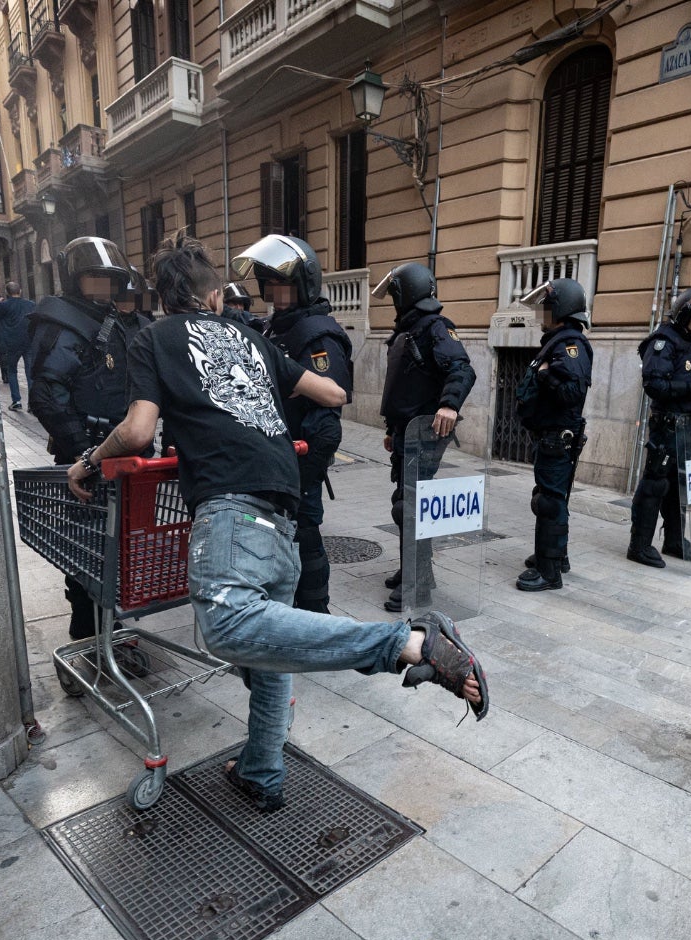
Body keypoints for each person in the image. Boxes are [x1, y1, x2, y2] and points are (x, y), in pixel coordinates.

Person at [65, 235, 487, 813]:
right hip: (282, 505)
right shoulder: (251, 337)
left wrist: (88, 461)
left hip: (231, 505)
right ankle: (262, 770)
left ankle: (408, 644)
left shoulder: (154, 339)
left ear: (163, 298)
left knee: (225, 627)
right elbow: (332, 390)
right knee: (269, 660)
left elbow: (138, 433)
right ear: (214, 294)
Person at [26, 236, 145, 643]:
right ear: (76, 280)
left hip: (120, 452)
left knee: (116, 545)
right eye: (93, 279)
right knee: (88, 547)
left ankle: (109, 628)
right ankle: (85, 635)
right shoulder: (63, 323)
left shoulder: (111, 322)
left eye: (109, 281)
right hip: (87, 455)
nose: (102, 289)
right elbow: (47, 393)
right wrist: (83, 452)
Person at [230, 235, 353, 613]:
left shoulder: (317, 334)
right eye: (268, 285)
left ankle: (316, 613)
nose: (273, 293)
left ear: (302, 284)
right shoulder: (272, 329)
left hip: (298, 458)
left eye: (281, 284)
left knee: (304, 534)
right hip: (271, 458)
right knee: (275, 535)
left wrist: (304, 474)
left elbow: (328, 414)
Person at [374, 262, 477, 612]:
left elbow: (461, 368)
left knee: (412, 508)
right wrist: (392, 429)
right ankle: (414, 572)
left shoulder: (435, 327)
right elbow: (403, 384)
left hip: (426, 433)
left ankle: (418, 585)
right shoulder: (410, 329)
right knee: (405, 504)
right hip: (407, 431)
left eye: (395, 294)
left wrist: (449, 405)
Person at [627, 287, 691, 567]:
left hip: (688, 427)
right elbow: (654, 385)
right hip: (668, 427)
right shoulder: (663, 341)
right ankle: (639, 545)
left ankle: (674, 540)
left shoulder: (689, 341)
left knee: (678, 487)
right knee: (655, 484)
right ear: (686, 316)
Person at [513, 278, 593, 592]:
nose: (542, 314)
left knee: (549, 502)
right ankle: (555, 557)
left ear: (561, 307)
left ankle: (549, 573)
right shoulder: (558, 340)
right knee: (551, 499)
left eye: (547, 307)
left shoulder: (570, 344)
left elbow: (572, 392)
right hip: (549, 434)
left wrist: (545, 376)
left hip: (557, 436)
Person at [0, 281, 36, 411]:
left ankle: (16, 401)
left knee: (12, 371)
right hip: (28, 342)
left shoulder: (2, 306)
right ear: (20, 291)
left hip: (11, 343)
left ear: (7, 292)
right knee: (30, 373)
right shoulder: (31, 305)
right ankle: (32, 403)